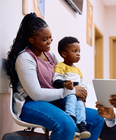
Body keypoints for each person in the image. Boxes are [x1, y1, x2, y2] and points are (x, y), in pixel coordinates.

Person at [5, 12, 104, 140]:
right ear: (31, 40)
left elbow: (64, 76)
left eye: (50, 37)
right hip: (30, 104)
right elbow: (36, 94)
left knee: (97, 118)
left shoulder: (50, 55)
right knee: (67, 124)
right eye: (44, 39)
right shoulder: (25, 58)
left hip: (54, 101)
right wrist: (71, 91)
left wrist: (80, 93)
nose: (49, 41)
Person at [52, 36, 90, 139]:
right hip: (66, 94)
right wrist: (65, 84)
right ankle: (71, 120)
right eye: (74, 51)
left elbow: (82, 85)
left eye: (79, 51)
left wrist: (84, 97)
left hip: (76, 94)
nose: (78, 54)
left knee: (80, 104)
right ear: (64, 54)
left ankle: (81, 125)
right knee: (72, 97)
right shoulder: (61, 66)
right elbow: (56, 81)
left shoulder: (77, 70)